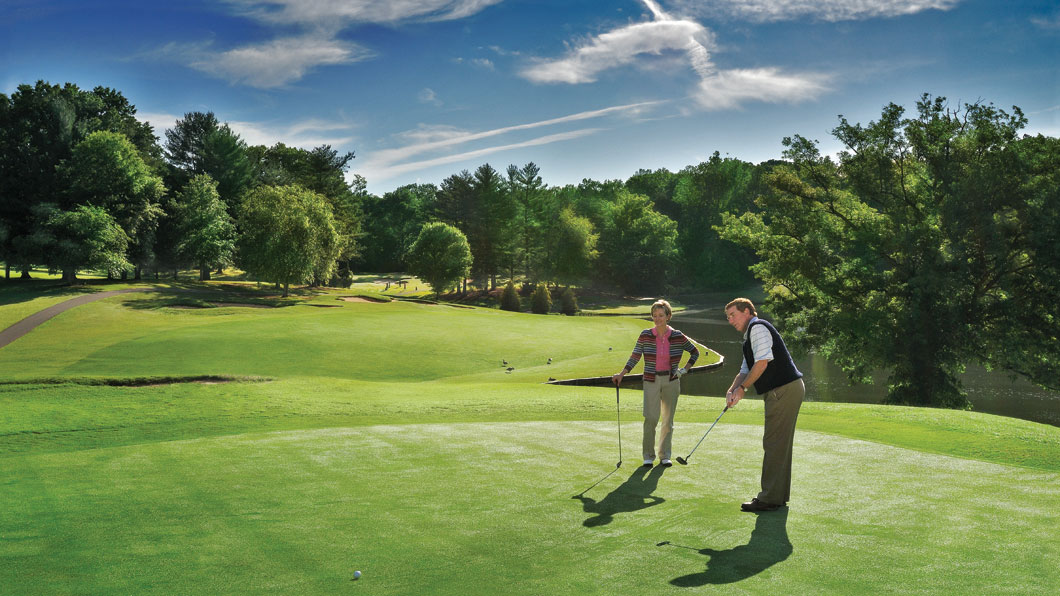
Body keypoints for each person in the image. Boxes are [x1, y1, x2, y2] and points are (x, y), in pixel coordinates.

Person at [723, 298, 805, 512]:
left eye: (733, 315)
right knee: (779, 444)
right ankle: (777, 496)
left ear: (747, 311)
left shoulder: (757, 328)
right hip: (783, 389)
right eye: (728, 317)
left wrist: (743, 390)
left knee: (774, 443)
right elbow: (745, 369)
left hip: (783, 389)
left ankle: (769, 498)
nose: (730, 320)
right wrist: (733, 389)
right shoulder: (749, 335)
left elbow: (762, 363)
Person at [612, 299, 700, 468]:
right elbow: (635, 356)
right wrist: (622, 373)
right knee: (651, 418)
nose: (657, 318)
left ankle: (665, 455)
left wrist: (685, 369)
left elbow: (694, 353)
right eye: (654, 315)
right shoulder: (646, 334)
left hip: (671, 380)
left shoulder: (677, 335)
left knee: (668, 420)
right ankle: (648, 456)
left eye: (661, 315)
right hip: (651, 380)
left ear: (668, 316)